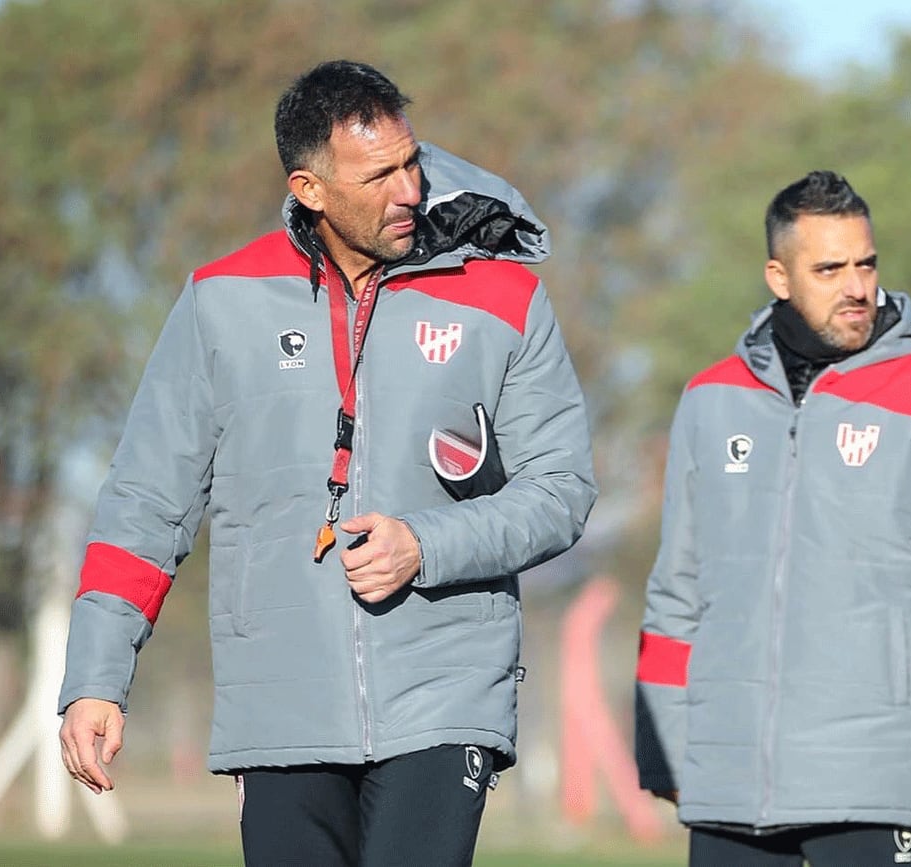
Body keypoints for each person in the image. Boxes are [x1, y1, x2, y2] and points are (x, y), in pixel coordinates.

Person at [58, 60, 597, 866]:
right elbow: (146, 502)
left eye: (410, 162)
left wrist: (426, 544)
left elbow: (563, 490)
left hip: (446, 697)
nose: (410, 189)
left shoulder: (504, 298)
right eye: (378, 175)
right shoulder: (220, 300)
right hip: (279, 706)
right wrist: (96, 675)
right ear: (309, 188)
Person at [634, 170, 911, 866]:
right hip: (729, 783)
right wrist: (663, 748)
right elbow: (677, 590)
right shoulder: (710, 400)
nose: (857, 286)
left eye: (866, 263)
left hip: (878, 777)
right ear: (779, 275)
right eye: (829, 268)